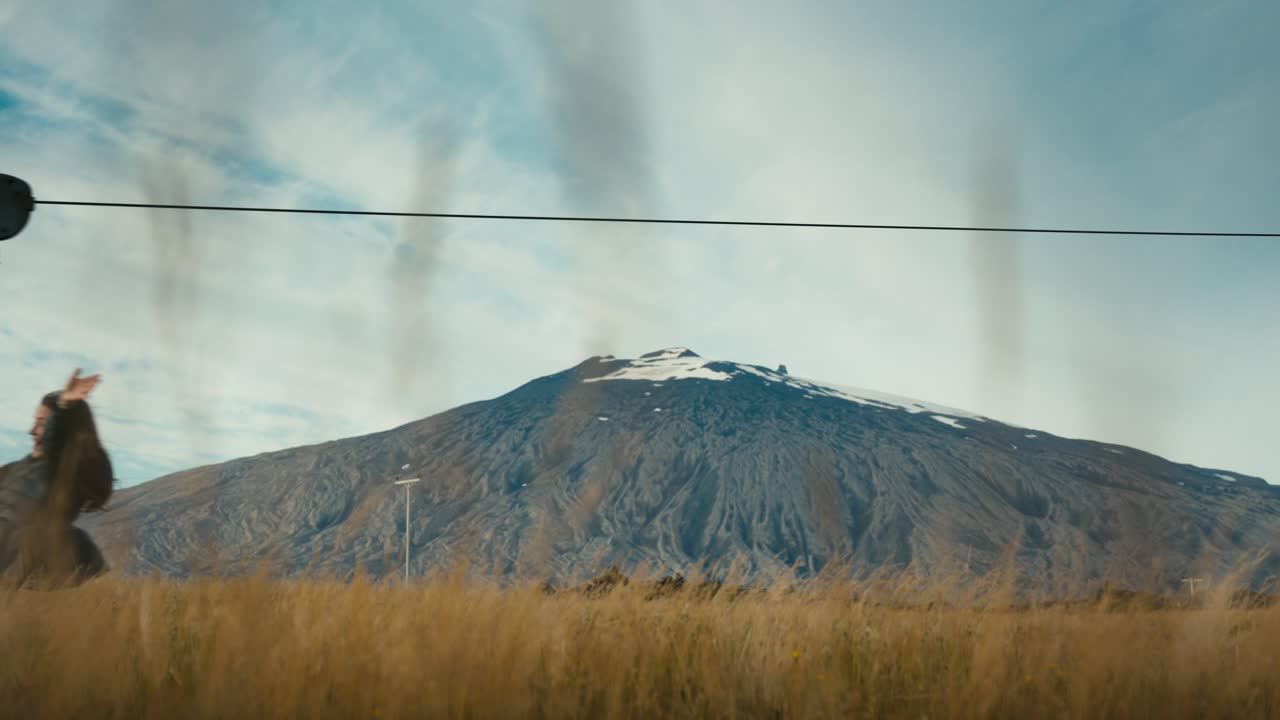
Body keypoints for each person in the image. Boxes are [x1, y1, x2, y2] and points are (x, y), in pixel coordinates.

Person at [0, 369, 115, 589]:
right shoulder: (14, 469)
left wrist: (64, 408)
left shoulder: (65, 474)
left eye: (42, 423)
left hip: (19, 572)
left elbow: (55, 446)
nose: (32, 431)